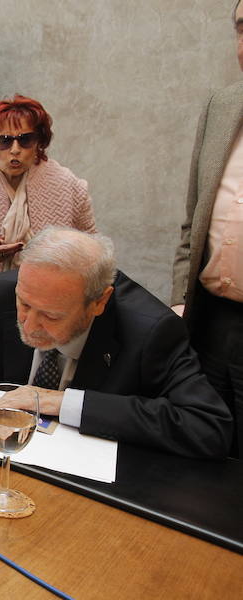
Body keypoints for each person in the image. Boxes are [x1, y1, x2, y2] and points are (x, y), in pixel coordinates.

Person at [0, 227, 232, 458]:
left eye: (51, 316)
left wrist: (56, 402)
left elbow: (208, 426)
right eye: (24, 305)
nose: (29, 326)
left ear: (99, 303)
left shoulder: (151, 330)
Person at [171, 0, 243, 459]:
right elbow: (193, 217)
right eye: (241, 28)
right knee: (202, 453)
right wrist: (180, 297)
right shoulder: (223, 104)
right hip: (209, 319)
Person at [0, 94, 96, 312]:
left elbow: (93, 252)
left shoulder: (69, 186)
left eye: (25, 139)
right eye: (4, 141)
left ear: (39, 143)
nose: (15, 149)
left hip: (53, 308)